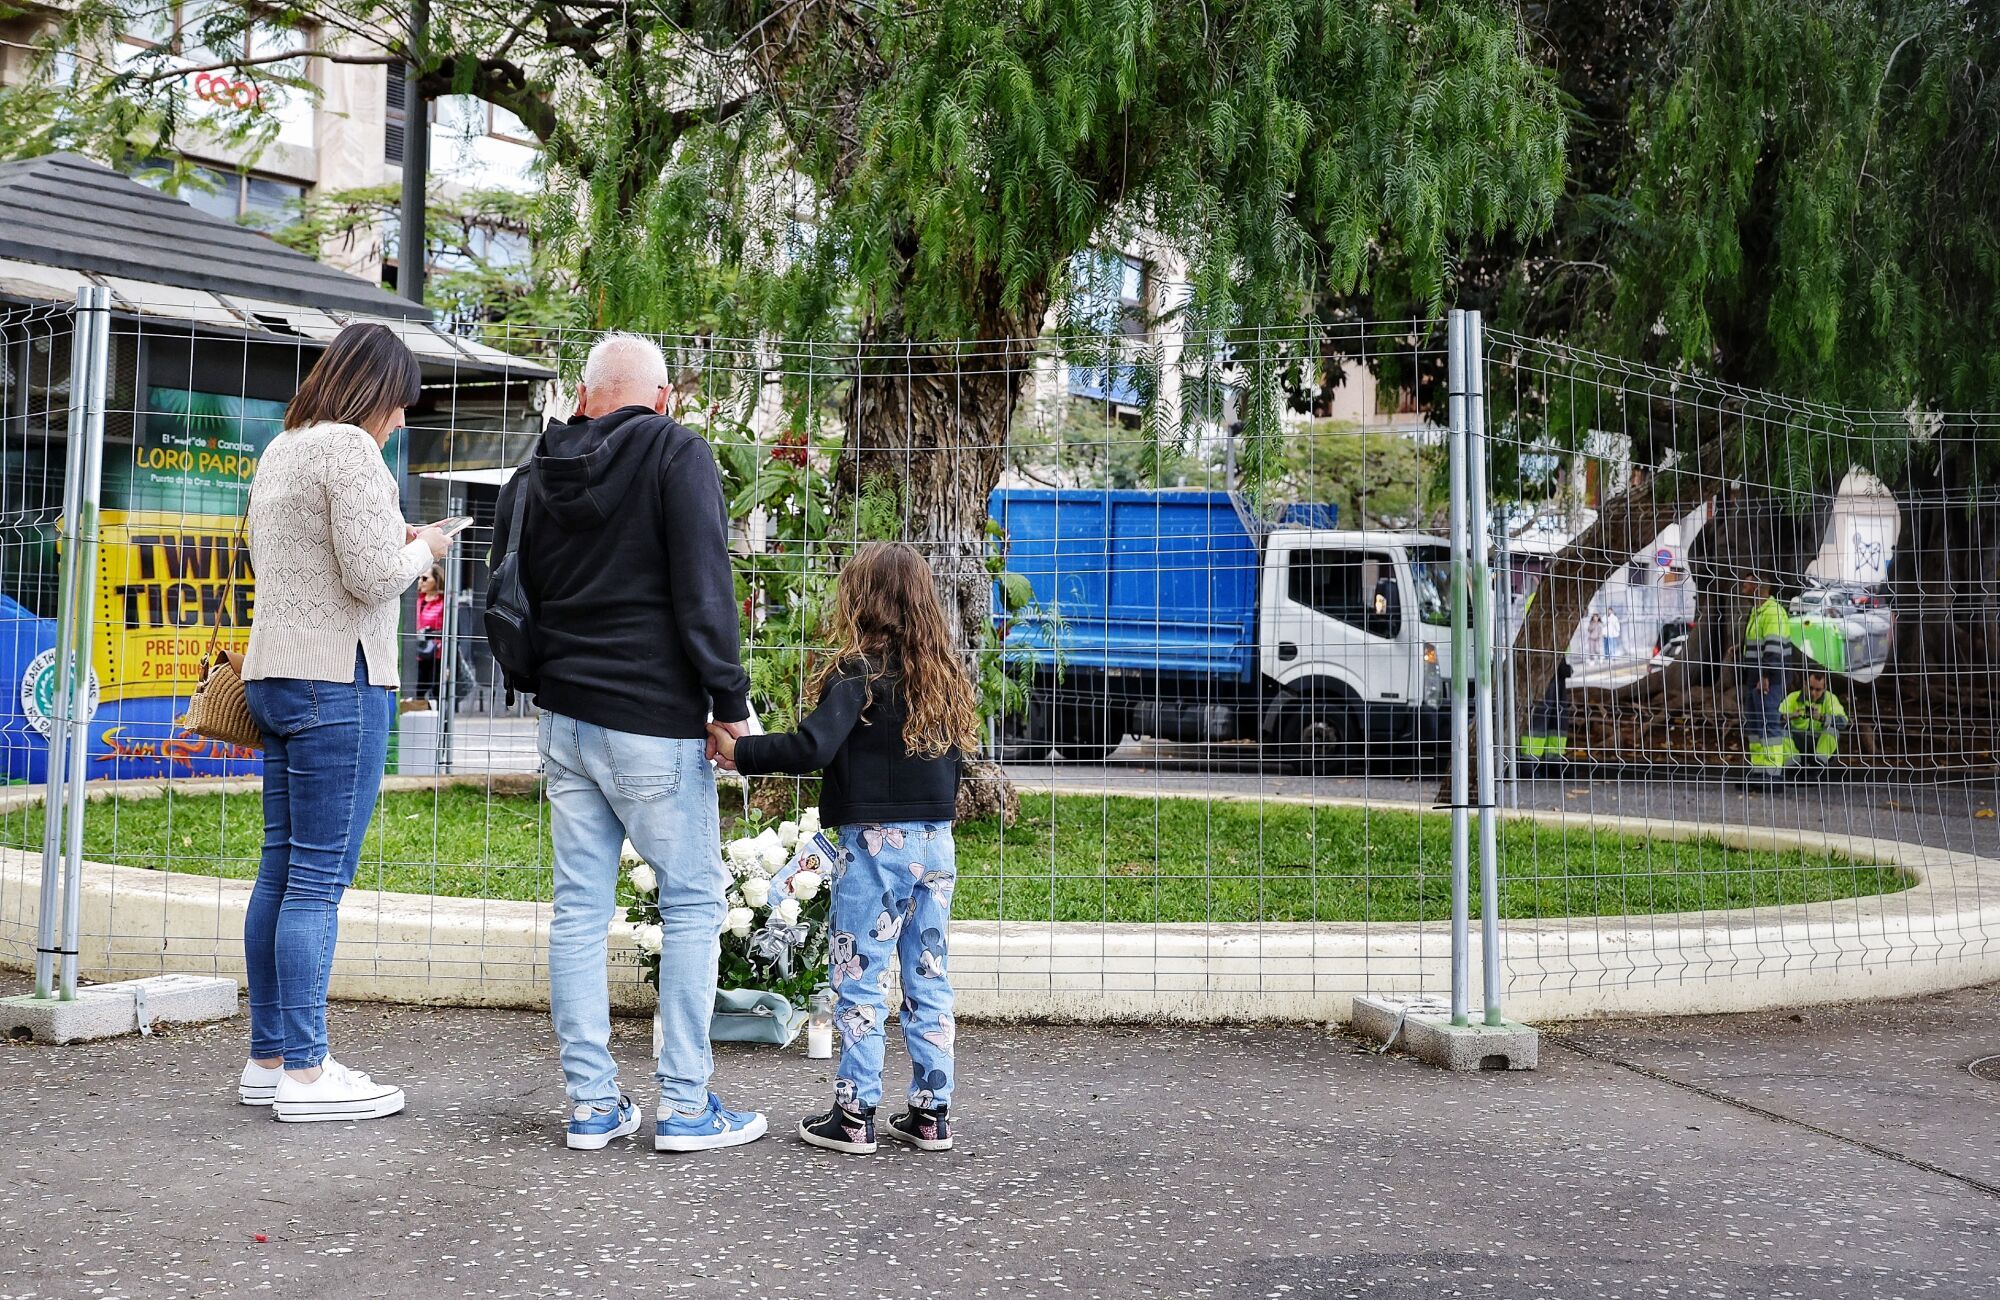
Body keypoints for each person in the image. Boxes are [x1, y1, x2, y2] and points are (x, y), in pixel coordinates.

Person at [491, 332, 764, 1153]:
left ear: (584, 398)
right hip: (650, 720)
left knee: (578, 910)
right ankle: (685, 1105)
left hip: (564, 720)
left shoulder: (536, 471)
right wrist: (732, 704)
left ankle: (592, 1106)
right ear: (665, 395)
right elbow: (704, 588)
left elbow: (514, 593)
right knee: (689, 903)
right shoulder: (677, 455)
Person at [236, 323, 454, 1123]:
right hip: (340, 680)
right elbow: (370, 580)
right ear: (376, 391)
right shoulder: (354, 451)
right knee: (319, 882)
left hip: (274, 676)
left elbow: (294, 560)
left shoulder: (284, 447)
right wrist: (424, 547)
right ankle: (306, 1072)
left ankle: (268, 1057)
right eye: (400, 404)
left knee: (280, 869)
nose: (400, 420)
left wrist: (391, 540)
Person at [711, 541, 977, 1156]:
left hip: (874, 845)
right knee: (927, 975)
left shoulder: (857, 674)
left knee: (860, 975)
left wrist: (740, 753)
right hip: (937, 845)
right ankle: (932, 1112)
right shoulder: (945, 675)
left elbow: (811, 747)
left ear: (862, 601)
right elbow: (957, 766)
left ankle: (854, 1115)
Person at [1738, 576, 1793, 779]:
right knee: (1754, 725)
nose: (1743, 586)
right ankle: (1759, 769)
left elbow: (1774, 647)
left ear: (1758, 587)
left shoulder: (1772, 612)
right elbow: (1760, 642)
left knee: (1768, 724)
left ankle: (1772, 773)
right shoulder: (1757, 611)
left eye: (1747, 582)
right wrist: (1741, 649)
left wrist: (1767, 675)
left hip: (1769, 679)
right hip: (1755, 677)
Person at [1781, 671, 1847, 775]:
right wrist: (1789, 716)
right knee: (1781, 731)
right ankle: (1792, 767)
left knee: (1832, 731)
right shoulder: (1793, 697)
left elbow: (1843, 722)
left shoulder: (1830, 699)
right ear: (1804, 684)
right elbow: (1775, 719)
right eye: (1810, 688)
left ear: (1825, 688)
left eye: (1818, 690)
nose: (1813, 693)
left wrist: (1822, 718)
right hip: (1797, 741)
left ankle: (1816, 766)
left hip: (1818, 741)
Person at [414, 565, 445, 700]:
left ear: (436, 580)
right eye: (420, 578)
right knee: (419, 688)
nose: (421, 581)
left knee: (436, 688)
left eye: (425, 578)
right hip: (417, 651)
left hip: (436, 654)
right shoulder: (417, 600)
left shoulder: (444, 602)